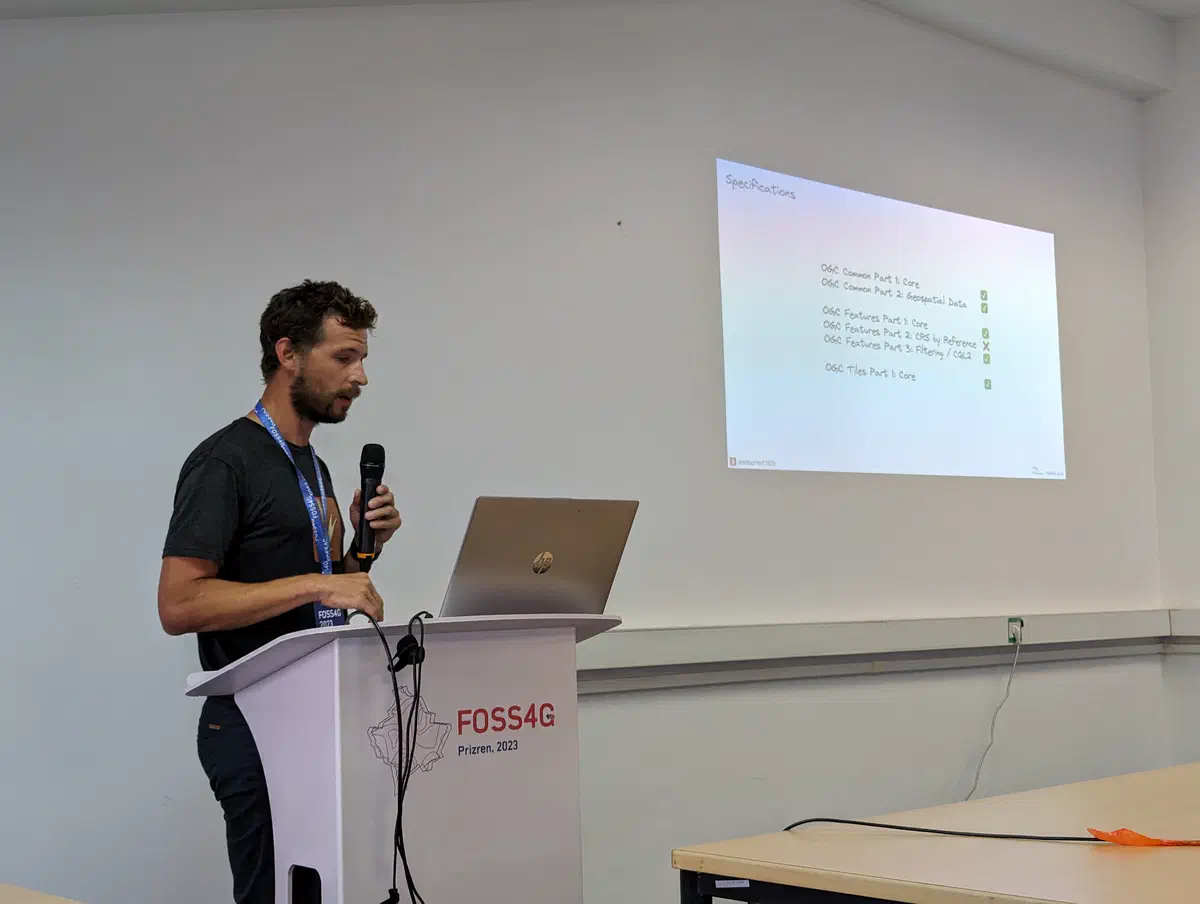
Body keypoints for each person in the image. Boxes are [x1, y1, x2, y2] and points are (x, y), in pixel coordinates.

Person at [157, 280, 402, 904]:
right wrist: (320, 581)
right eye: (344, 357)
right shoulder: (224, 462)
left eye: (362, 358)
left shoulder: (313, 465)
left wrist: (363, 551)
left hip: (318, 717)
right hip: (253, 725)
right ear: (287, 352)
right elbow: (179, 604)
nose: (361, 376)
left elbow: (311, 596)